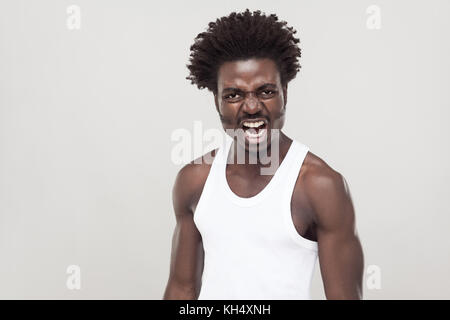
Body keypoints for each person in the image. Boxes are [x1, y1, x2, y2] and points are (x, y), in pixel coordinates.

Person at [163, 9, 364, 300]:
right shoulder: (194, 180)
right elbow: (182, 289)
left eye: (266, 91)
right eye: (234, 95)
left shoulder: (319, 185)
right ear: (216, 101)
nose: (252, 106)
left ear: (285, 91)